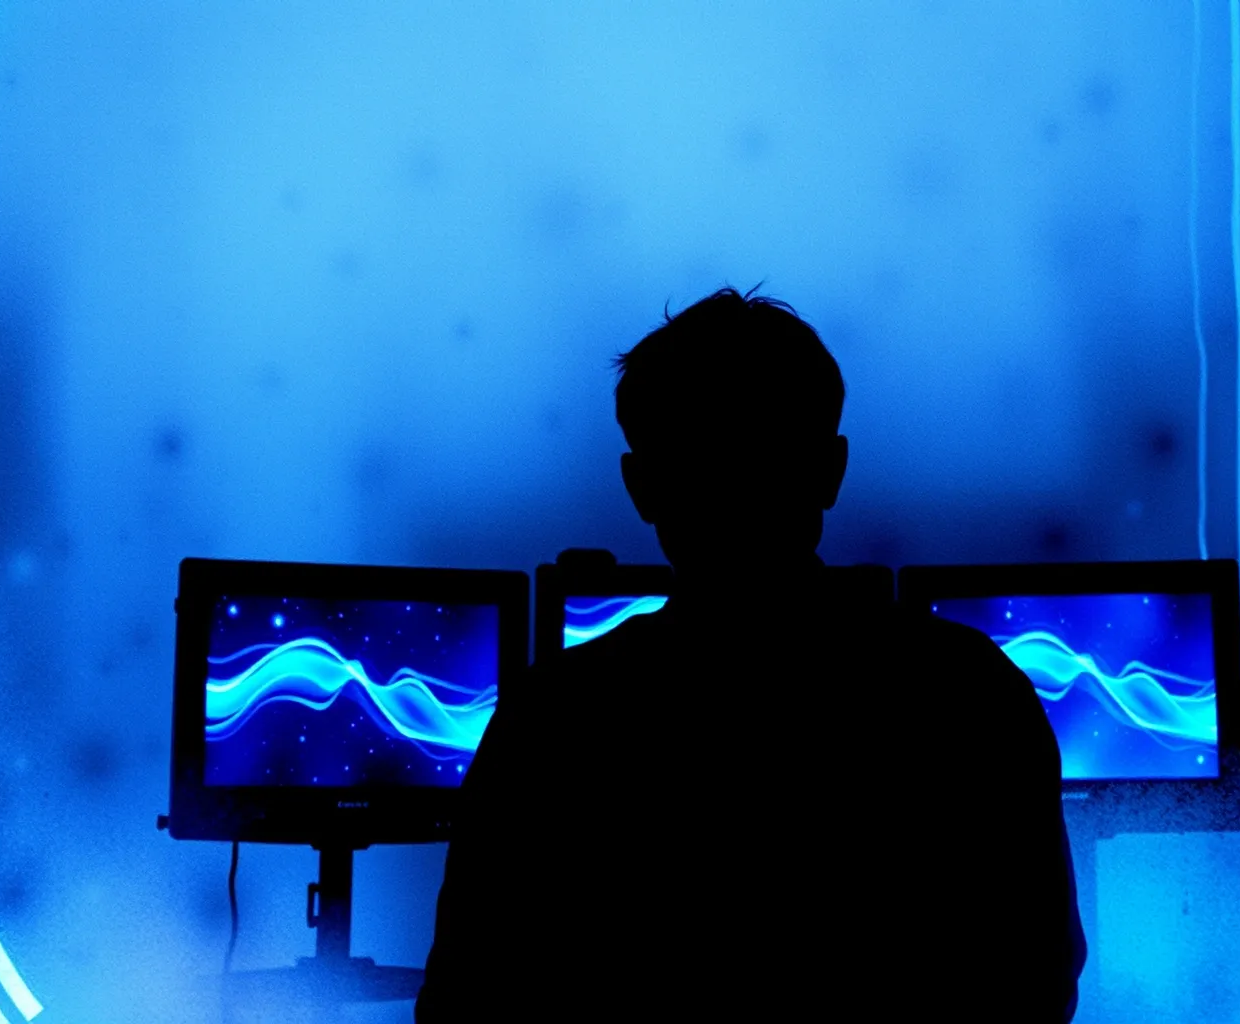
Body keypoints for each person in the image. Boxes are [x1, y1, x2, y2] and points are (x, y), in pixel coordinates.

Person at [416, 288, 1085, 1021]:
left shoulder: (553, 716)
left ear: (641, 488)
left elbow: (467, 997)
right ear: (831, 470)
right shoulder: (969, 689)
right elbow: (1036, 976)